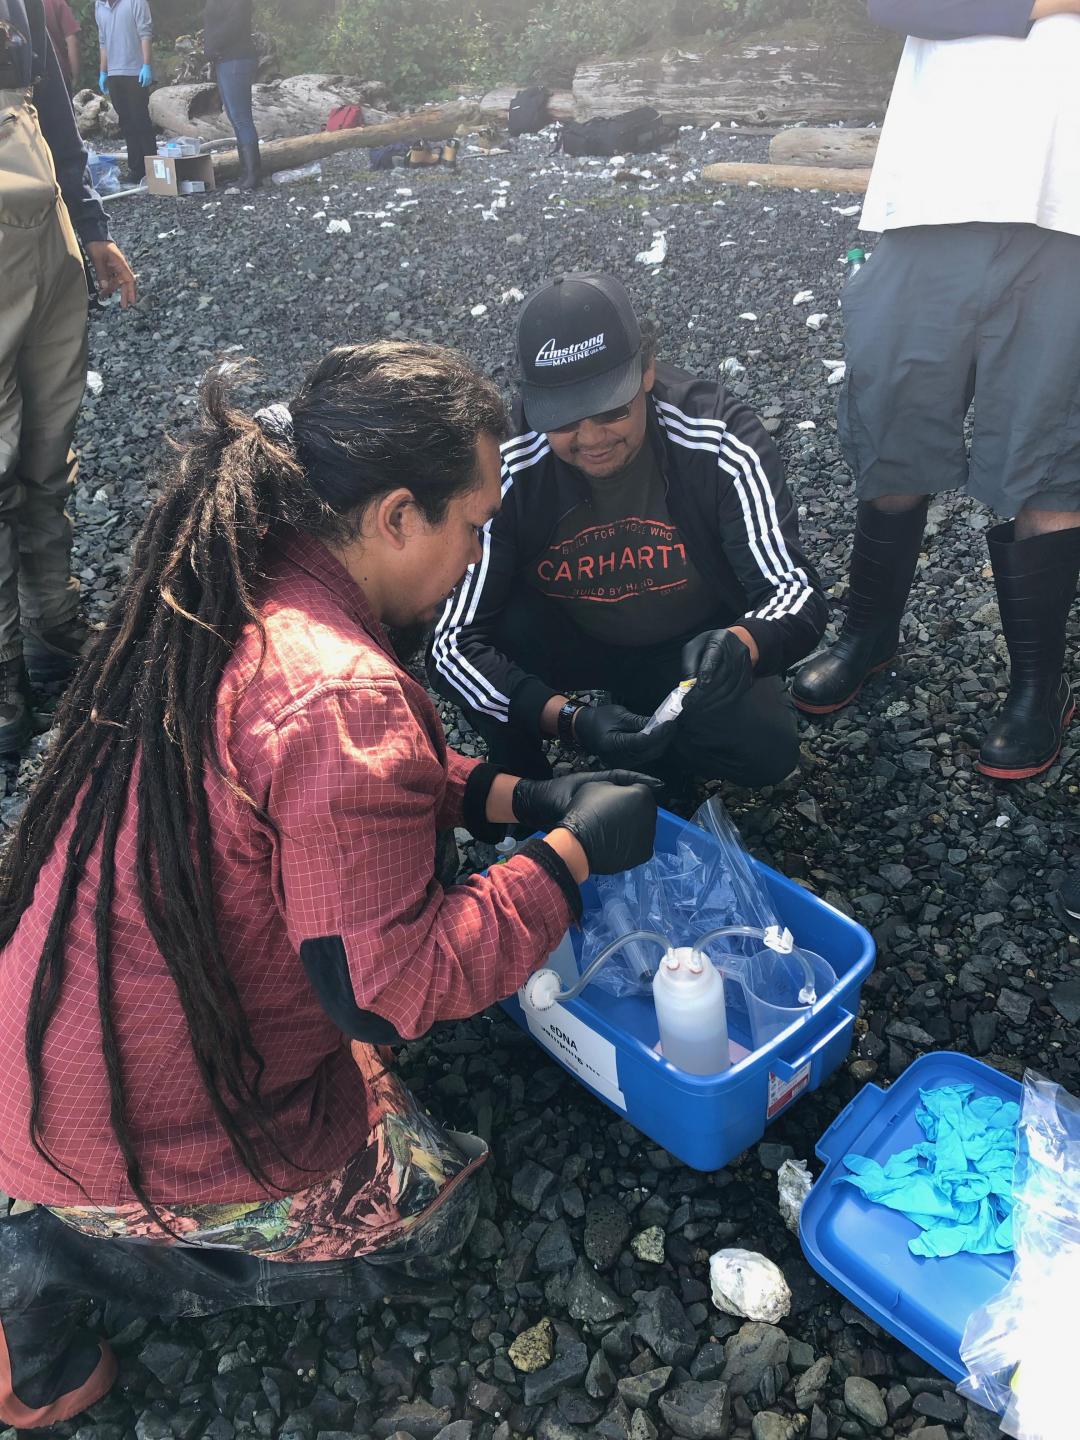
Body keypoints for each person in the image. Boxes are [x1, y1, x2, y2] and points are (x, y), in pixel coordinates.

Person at [0, 340, 658, 1426]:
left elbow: (340, 795)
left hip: (40, 1046)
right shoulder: (341, 694)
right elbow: (391, 985)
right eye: (473, 525)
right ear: (399, 515)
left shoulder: (236, 578)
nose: (475, 553)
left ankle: (49, 1197)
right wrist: (566, 863)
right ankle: (59, 1265)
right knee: (422, 1205)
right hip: (125, 1123)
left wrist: (512, 799)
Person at [791, 0, 1080, 782]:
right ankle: (869, 632)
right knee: (893, 425)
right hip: (928, 192)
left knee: (1049, 449)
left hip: (1071, 206)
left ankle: (1036, 686)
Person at [430, 272, 827, 794]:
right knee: (490, 641)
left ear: (646, 371)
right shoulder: (505, 465)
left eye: (610, 409)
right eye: (564, 420)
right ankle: (521, 780)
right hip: (568, 638)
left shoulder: (717, 437)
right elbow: (450, 645)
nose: (591, 439)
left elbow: (795, 592)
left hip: (688, 646)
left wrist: (741, 645)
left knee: (764, 752)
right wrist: (568, 718)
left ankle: (662, 748)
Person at [1, 0, 136, 756]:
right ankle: (1, 666)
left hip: (45, 236)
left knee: (51, 445)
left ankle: (53, 625)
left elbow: (51, 98)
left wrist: (92, 227)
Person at [95, 0, 155, 185]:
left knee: (140, 120)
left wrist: (146, 65)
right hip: (114, 72)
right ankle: (136, 169)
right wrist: (103, 71)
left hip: (135, 71)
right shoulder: (99, 6)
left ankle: (153, 169)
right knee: (126, 122)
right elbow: (103, 41)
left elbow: (145, 33)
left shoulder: (135, 2)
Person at [203, 0, 260, 189]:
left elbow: (236, 23)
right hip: (224, 59)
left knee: (241, 117)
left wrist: (214, 44)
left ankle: (253, 174)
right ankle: (246, 172)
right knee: (235, 117)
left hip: (236, 58)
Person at [42, 0, 79, 91]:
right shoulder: (57, 2)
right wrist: (75, 76)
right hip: (58, 74)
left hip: (28, 77)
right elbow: (72, 41)